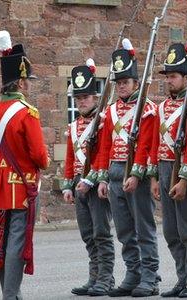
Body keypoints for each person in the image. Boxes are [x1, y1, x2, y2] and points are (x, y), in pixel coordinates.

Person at [0, 30, 50, 300]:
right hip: (23, 187)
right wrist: (46, 160)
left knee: (6, 241)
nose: (29, 84)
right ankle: (12, 295)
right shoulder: (27, 113)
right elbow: (40, 156)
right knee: (17, 242)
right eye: (27, 80)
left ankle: (11, 293)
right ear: (21, 82)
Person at [88, 38, 161, 297]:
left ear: (136, 83)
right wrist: (104, 178)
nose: (121, 87)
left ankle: (150, 276)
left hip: (136, 175)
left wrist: (136, 173)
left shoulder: (148, 109)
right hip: (115, 172)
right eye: (118, 83)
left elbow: (147, 146)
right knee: (124, 230)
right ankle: (133, 273)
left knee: (144, 228)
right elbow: (104, 148)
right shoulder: (110, 112)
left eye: (125, 83)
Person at [151, 38, 187, 298]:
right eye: (167, 76)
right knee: (171, 231)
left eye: (173, 76)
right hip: (163, 169)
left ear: (186, 78)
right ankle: (182, 277)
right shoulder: (162, 108)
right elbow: (154, 143)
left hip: (181, 171)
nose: (169, 80)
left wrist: (184, 180)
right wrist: (153, 178)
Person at [62, 59, 116, 296]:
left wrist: (91, 179)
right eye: (78, 98)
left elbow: (105, 154)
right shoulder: (74, 126)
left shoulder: (103, 123)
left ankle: (106, 278)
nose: (82, 101)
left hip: (94, 185)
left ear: (95, 98)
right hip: (78, 185)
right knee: (87, 235)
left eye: (85, 97)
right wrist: (68, 185)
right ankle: (94, 276)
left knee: (101, 233)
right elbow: (69, 159)